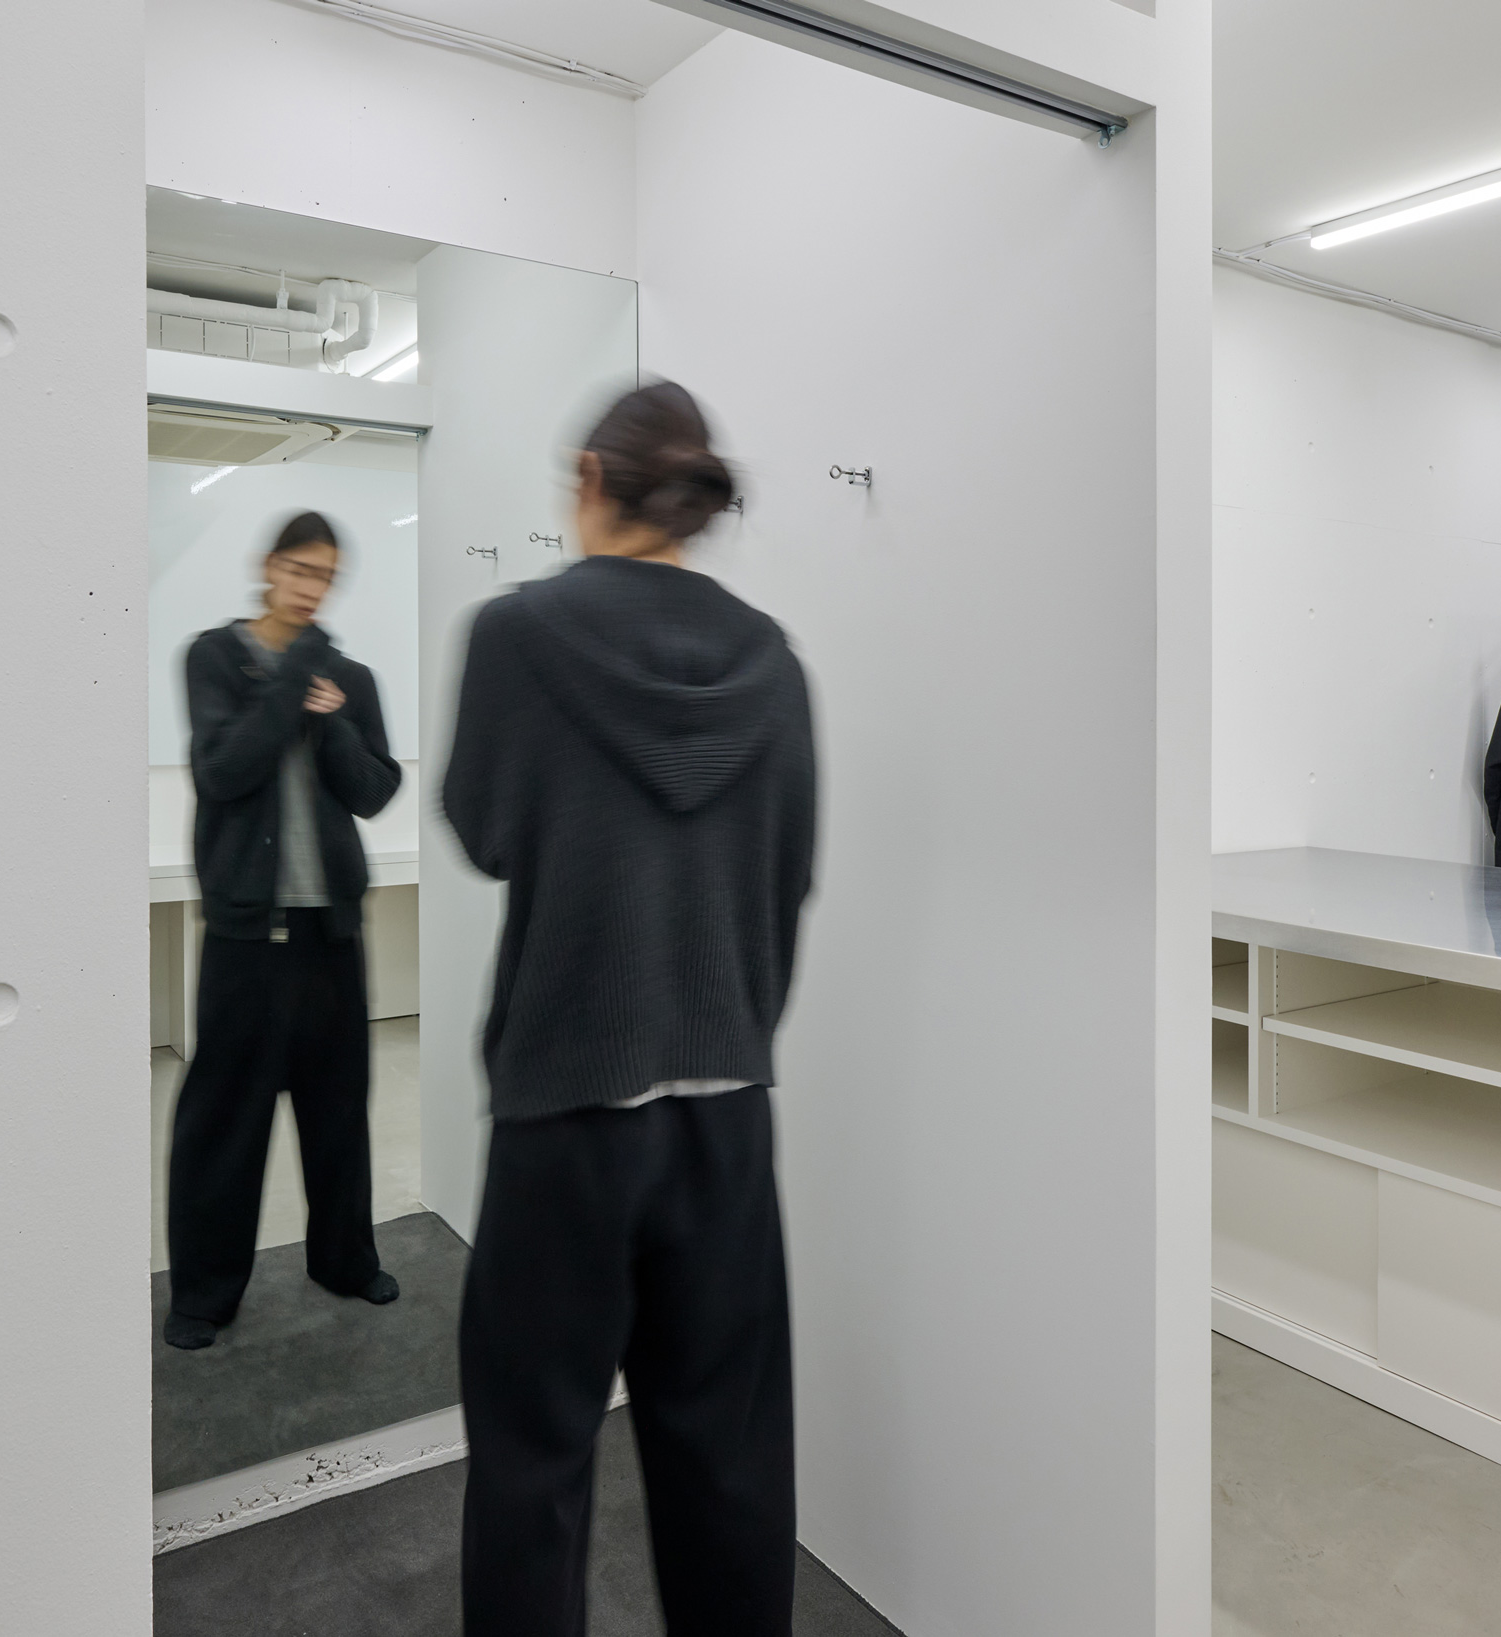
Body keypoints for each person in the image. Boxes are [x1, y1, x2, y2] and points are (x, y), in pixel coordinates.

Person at [442, 384, 817, 1634]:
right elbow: (787, 873)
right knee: (730, 1459)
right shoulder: (773, 658)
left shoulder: (516, 633)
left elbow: (487, 833)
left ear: (593, 481)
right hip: (725, 1111)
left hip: (564, 1103)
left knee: (532, 1461)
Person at [164, 510, 403, 1350]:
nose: (311, 588)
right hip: (245, 931)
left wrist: (332, 719)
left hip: (330, 929)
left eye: (326, 576)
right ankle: (204, 1291)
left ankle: (344, 1260)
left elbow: (375, 790)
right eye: (300, 570)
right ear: (268, 567)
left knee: (338, 1107)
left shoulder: (350, 677)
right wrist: (296, 676)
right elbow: (224, 771)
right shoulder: (214, 657)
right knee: (225, 1118)